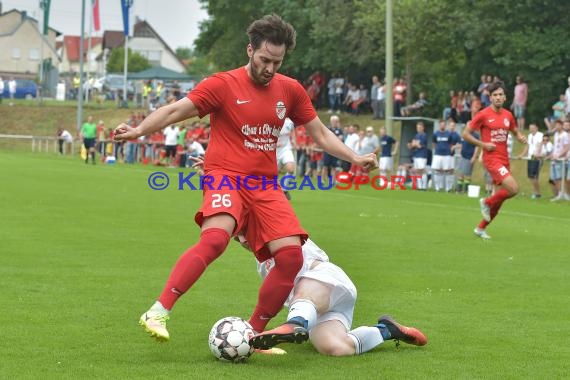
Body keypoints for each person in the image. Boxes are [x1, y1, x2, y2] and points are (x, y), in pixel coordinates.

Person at [113, 14, 376, 345]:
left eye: (276, 62)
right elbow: (174, 111)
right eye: (264, 59)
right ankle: (158, 310)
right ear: (250, 50)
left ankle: (253, 333)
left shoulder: (290, 90)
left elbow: (320, 133)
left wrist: (354, 158)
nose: (269, 68)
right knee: (215, 240)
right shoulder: (222, 84)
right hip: (225, 177)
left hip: (265, 185)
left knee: (291, 258)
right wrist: (138, 130)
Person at [246, 235, 427, 354]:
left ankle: (296, 323)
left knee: (304, 292)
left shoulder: (284, 233)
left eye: (243, 233)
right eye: (238, 238)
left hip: (327, 282)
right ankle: (387, 330)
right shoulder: (262, 263)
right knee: (335, 347)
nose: (242, 240)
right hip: (318, 308)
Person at [462, 81, 527, 240]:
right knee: (513, 189)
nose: (498, 97)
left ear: (505, 97)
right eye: (495, 95)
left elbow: (514, 130)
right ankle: (486, 201)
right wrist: (483, 144)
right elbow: (465, 134)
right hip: (492, 159)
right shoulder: (483, 114)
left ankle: (480, 228)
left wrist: (519, 137)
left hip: (504, 159)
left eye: (500, 95)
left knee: (499, 202)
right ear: (490, 98)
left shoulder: (508, 115)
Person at [516, 123, 544, 199]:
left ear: (536, 128)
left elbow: (540, 145)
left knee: (534, 176)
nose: (531, 129)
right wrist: (522, 155)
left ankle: (537, 193)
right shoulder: (529, 136)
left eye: (533, 128)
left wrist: (537, 154)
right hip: (530, 157)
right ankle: (535, 192)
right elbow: (528, 146)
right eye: (530, 128)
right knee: (530, 176)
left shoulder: (540, 135)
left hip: (536, 158)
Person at [277, 118, 296, 200]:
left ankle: (284, 190)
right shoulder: (271, 117)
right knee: (273, 174)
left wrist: (294, 140)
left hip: (286, 148)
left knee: (291, 168)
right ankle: (275, 192)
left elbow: (292, 131)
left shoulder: (289, 121)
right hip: (273, 149)